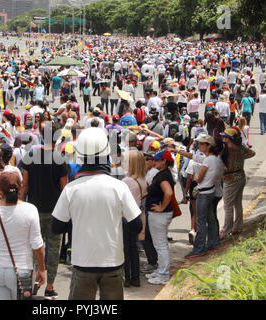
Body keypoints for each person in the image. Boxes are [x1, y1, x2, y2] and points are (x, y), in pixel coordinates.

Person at [51, 127, 142, 300]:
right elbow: (136, 225)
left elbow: (56, 227)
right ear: (106, 155)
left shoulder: (71, 189)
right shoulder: (119, 187)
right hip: (113, 263)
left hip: (82, 264)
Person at [0, 168, 46, 300]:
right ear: (20, 187)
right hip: (22, 271)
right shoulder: (30, 210)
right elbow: (37, 245)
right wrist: (41, 269)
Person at [21, 121, 69, 299]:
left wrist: (19, 204)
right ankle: (49, 286)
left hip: (33, 210)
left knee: (33, 247)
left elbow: (24, 185)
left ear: (42, 135)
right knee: (53, 249)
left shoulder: (31, 155)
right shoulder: (61, 159)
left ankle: (33, 282)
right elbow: (65, 189)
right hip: (55, 212)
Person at [183, 135, 223, 259]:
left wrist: (197, 177)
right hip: (210, 192)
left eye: (201, 144)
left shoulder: (208, 160)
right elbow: (194, 157)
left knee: (200, 221)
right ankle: (213, 243)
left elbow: (199, 178)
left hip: (204, 193)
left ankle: (198, 248)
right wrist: (178, 151)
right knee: (210, 219)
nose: (199, 146)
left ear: (208, 146)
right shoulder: (214, 159)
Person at [143, 150, 175, 285]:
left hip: (159, 214)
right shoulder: (162, 174)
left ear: (164, 161)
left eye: (157, 160)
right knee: (159, 244)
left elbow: (169, 193)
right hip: (158, 214)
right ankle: (161, 271)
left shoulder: (163, 176)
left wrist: (161, 208)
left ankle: (163, 274)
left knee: (160, 245)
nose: (154, 162)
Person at [219, 127, 255, 239]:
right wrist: (241, 158)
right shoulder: (240, 147)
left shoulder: (226, 149)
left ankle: (226, 229)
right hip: (241, 176)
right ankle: (238, 226)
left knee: (228, 205)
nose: (223, 139)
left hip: (230, 179)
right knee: (237, 203)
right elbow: (252, 153)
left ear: (229, 139)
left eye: (224, 137)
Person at [122, 151, 147, 287]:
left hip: (126, 217)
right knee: (133, 248)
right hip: (136, 216)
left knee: (125, 249)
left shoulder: (127, 181)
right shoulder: (143, 180)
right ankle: (135, 277)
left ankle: (126, 277)